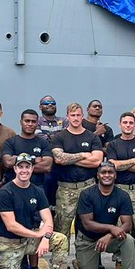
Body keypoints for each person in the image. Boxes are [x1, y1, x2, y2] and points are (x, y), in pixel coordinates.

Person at [1, 109, 55, 269]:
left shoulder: (43, 142)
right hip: (15, 192)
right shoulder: (11, 142)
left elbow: (48, 166)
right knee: (19, 227)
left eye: (33, 121)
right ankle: (20, 265)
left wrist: (44, 235)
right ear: (21, 122)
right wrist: (36, 159)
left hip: (36, 189)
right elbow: (8, 162)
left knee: (35, 226)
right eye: (27, 121)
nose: (30, 124)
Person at [74, 160, 135, 269]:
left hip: (109, 239)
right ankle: (79, 265)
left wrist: (109, 235)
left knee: (129, 240)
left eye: (110, 172)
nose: (107, 175)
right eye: (103, 172)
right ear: (98, 175)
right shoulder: (87, 194)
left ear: (115, 176)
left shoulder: (122, 195)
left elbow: (127, 225)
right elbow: (87, 224)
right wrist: (111, 227)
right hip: (88, 240)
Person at [105, 112, 135, 269]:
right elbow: (112, 166)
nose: (128, 125)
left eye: (131, 122)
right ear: (120, 124)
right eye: (124, 122)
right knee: (120, 226)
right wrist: (133, 160)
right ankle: (119, 263)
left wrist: (122, 164)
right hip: (119, 189)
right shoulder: (113, 144)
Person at [50, 103, 104, 240]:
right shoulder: (59, 137)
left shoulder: (92, 137)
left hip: (88, 187)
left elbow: (97, 161)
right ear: (67, 116)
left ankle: (88, 261)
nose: (75, 118)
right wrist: (84, 155)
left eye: (78, 115)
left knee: (90, 227)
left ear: (82, 116)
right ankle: (60, 262)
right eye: (72, 115)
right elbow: (59, 159)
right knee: (62, 229)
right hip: (65, 189)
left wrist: (70, 158)